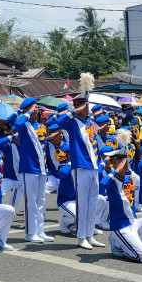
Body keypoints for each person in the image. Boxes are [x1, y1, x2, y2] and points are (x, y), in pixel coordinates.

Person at [101, 146, 142, 263]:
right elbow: (102, 184)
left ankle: (141, 249)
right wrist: (115, 169)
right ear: (113, 163)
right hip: (121, 226)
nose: (125, 163)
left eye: (125, 160)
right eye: (121, 161)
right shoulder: (111, 181)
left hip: (133, 222)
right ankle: (119, 244)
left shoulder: (129, 178)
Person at [57, 94, 102, 250]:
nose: (88, 109)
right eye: (85, 106)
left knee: (93, 203)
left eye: (88, 106)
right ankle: (81, 237)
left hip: (94, 165)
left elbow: (96, 137)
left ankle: (89, 234)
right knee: (82, 203)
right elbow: (58, 121)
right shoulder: (72, 121)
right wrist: (74, 110)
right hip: (81, 166)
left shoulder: (90, 122)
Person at [12, 98, 52, 244]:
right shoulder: (24, 123)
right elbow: (14, 123)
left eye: (36, 108)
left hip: (42, 167)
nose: (36, 110)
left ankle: (40, 231)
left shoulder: (40, 126)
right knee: (31, 202)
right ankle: (30, 233)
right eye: (34, 108)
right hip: (29, 167)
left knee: (41, 201)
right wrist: (25, 112)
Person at [0, 114, 23, 210]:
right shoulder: (9, 145)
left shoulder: (26, 145)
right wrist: (11, 137)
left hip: (22, 179)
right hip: (9, 178)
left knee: (30, 198)